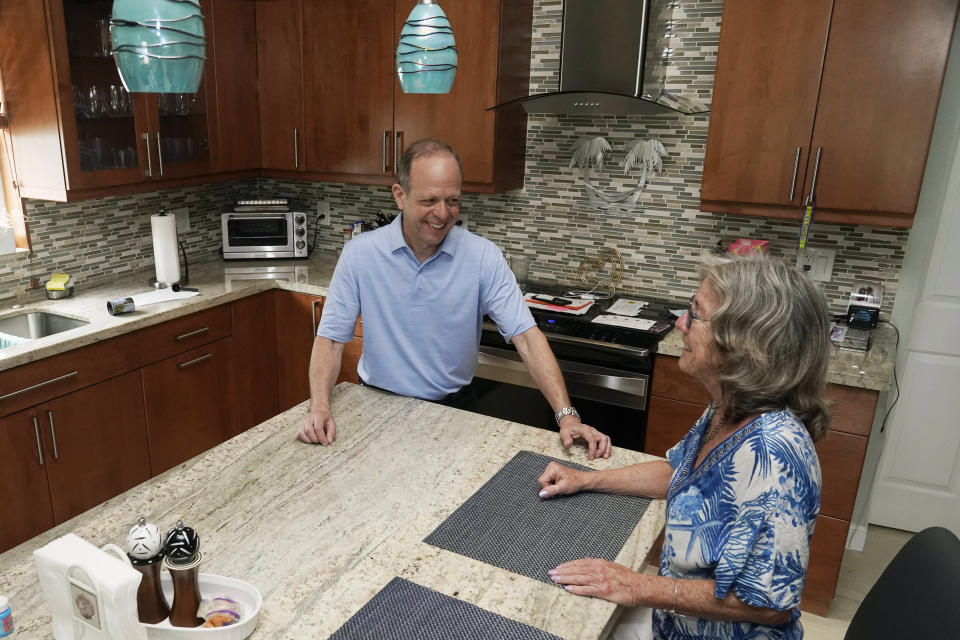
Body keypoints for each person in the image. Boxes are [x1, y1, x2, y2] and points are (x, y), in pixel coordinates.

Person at [537, 255, 830, 639]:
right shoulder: (727, 407)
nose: (680, 323)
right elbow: (682, 473)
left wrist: (635, 586)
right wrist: (585, 479)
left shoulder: (776, 453)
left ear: (742, 342)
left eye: (695, 314)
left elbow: (769, 604)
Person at [297, 139, 612, 459]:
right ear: (400, 196)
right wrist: (319, 407)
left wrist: (567, 415)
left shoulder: (482, 256)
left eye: (452, 200)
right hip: (376, 405)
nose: (442, 213)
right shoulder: (360, 254)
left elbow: (527, 338)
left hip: (456, 410)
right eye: (430, 200)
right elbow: (331, 339)